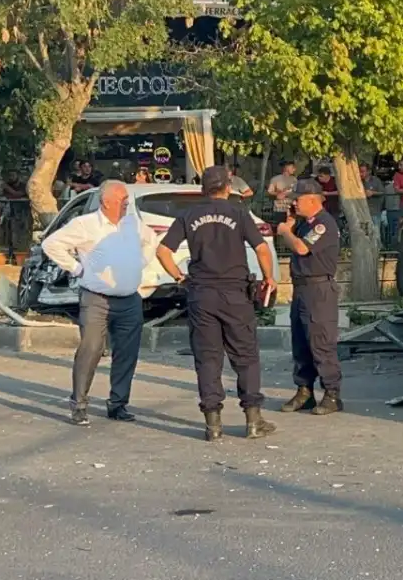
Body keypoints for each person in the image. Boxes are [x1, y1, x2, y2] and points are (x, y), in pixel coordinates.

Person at [156, 166, 279, 441]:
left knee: (208, 358)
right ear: (227, 187)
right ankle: (253, 420)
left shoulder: (188, 215)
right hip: (235, 294)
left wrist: (180, 278)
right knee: (245, 356)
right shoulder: (238, 213)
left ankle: (213, 424)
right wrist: (269, 278)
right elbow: (261, 248)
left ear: (203, 189)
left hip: (201, 294)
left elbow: (163, 251)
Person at [41, 181, 158, 425]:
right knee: (91, 349)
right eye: (123, 200)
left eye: (127, 200)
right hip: (96, 299)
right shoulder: (85, 225)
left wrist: (138, 264)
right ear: (106, 202)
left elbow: (152, 240)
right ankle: (79, 403)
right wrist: (76, 268)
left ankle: (118, 404)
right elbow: (51, 244)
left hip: (129, 299)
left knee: (127, 354)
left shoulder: (131, 222)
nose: (127, 204)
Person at [277, 179, 343, 416]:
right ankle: (304, 390)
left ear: (313, 199)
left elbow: (302, 248)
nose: (294, 203)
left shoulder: (323, 224)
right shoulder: (305, 224)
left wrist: (285, 231)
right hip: (302, 288)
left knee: (321, 342)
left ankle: (332, 393)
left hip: (319, 289)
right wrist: (291, 226)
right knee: (301, 341)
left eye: (298, 199)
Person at [267, 160, 298, 248]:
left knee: (291, 228)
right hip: (280, 207)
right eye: (292, 167)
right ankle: (281, 249)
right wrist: (278, 194)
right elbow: (270, 192)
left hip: (291, 208)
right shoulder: (275, 179)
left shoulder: (294, 179)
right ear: (286, 168)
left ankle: (291, 247)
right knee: (280, 228)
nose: (294, 169)